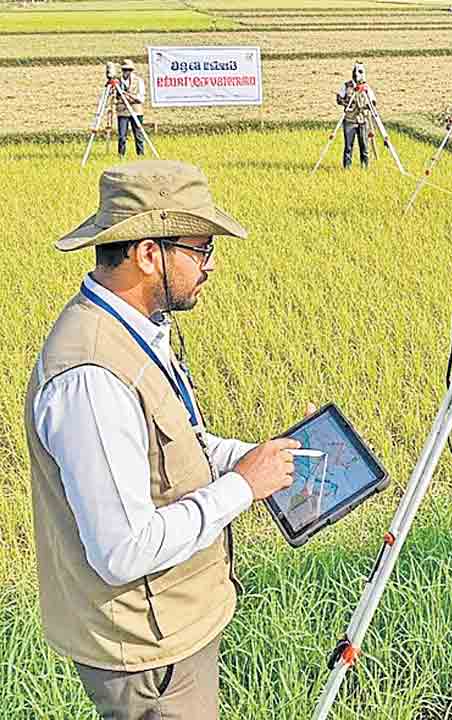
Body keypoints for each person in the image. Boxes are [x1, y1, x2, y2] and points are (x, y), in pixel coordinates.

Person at [25, 160, 301, 719]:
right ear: (149, 254)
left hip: (170, 627)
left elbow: (172, 443)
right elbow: (123, 550)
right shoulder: (92, 378)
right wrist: (242, 488)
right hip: (147, 656)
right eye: (201, 249)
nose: (211, 265)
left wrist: (246, 458)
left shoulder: (136, 330)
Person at [336, 62, 377, 168]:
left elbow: (373, 101)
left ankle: (365, 166)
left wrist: (368, 105)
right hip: (349, 121)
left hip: (362, 120)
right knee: (348, 146)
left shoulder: (366, 88)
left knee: (364, 146)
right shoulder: (346, 86)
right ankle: (347, 167)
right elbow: (339, 99)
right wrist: (346, 103)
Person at [115, 59, 146, 158]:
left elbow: (141, 98)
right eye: (124, 70)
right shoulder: (117, 81)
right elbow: (114, 96)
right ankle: (121, 155)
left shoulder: (139, 81)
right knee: (122, 136)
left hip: (136, 111)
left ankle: (141, 155)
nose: (126, 72)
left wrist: (127, 96)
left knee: (138, 135)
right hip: (122, 111)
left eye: (129, 70)